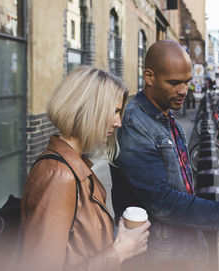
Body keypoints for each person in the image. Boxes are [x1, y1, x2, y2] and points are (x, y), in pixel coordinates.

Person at [110, 40, 219, 271]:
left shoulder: (164, 117)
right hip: (159, 260)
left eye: (187, 82)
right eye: (174, 83)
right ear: (149, 77)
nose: (184, 90)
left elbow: (183, 190)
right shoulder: (134, 123)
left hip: (180, 252)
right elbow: (164, 203)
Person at [20, 66, 150, 271]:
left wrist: (119, 238)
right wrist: (119, 252)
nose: (118, 122)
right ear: (88, 109)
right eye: (114, 111)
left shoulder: (75, 165)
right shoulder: (59, 175)